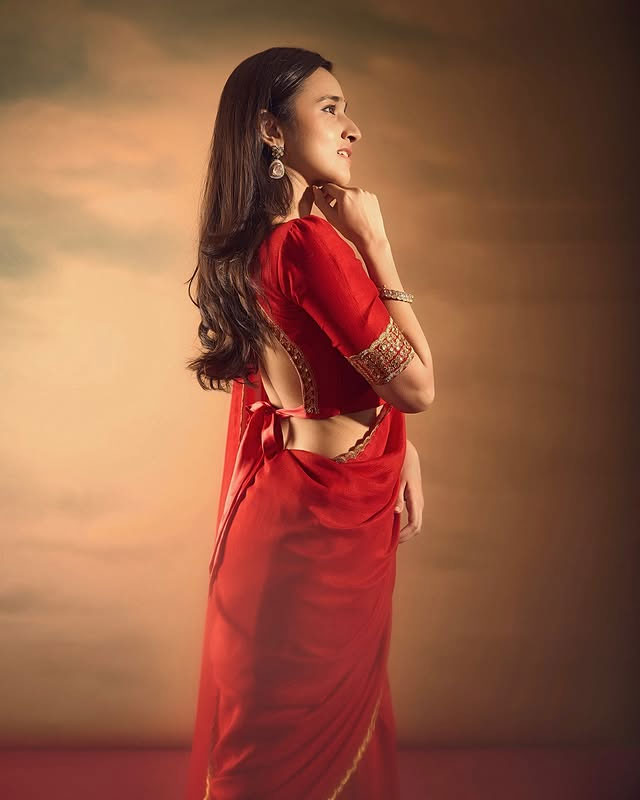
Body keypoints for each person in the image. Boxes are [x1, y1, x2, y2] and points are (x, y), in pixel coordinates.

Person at [183, 46, 435, 800]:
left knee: (277, 758)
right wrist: (376, 244)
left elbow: (302, 383)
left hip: (294, 520)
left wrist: (397, 446)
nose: (352, 128)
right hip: (315, 543)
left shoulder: (258, 244)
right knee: (286, 766)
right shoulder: (308, 244)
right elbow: (417, 385)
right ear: (270, 130)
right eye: (330, 109)